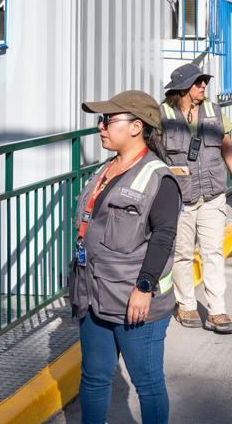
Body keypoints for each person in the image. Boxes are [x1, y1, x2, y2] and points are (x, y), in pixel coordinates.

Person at [72, 90, 181, 424]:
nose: (100, 127)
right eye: (100, 120)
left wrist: (144, 288)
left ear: (136, 127)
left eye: (107, 120)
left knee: (147, 384)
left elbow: (164, 237)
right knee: (93, 378)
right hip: (93, 296)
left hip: (134, 301)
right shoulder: (107, 169)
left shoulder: (157, 177)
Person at [159, 63, 232, 335]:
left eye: (204, 82)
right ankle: (185, 304)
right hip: (179, 197)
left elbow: (226, 145)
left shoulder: (213, 110)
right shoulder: (161, 115)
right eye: (199, 83)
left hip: (212, 194)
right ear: (184, 87)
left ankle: (217, 311)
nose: (203, 87)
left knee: (213, 253)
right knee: (182, 254)